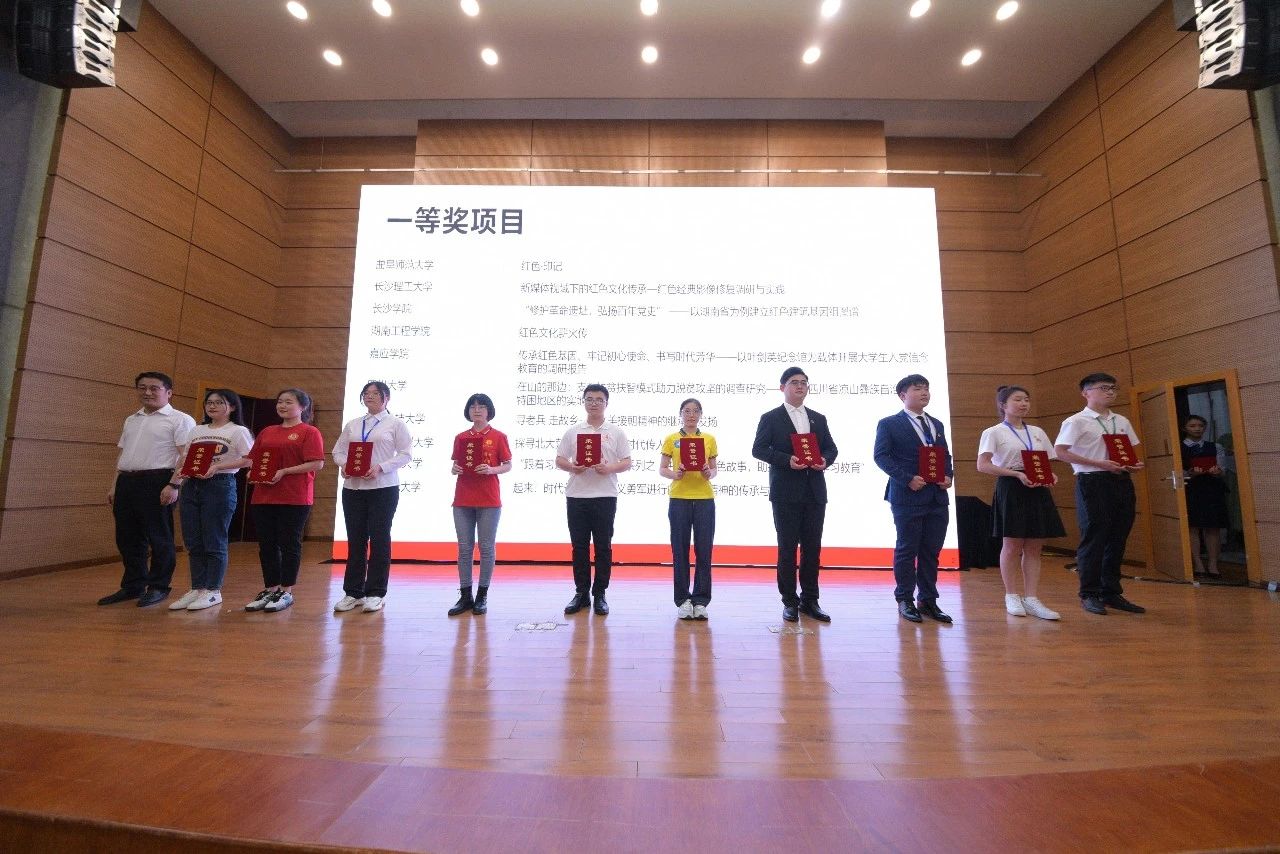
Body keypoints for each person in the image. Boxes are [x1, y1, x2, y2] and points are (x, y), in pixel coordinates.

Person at [99, 372, 196, 608]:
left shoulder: (180, 419)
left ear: (169, 392)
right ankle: (133, 585)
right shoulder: (132, 419)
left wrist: (174, 484)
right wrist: (114, 485)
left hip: (158, 480)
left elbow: (186, 456)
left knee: (159, 536)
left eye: (154, 388)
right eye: (142, 388)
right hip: (127, 481)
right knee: (128, 537)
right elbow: (124, 454)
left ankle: (158, 586)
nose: (147, 392)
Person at [1053, 372, 1146, 616]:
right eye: (1104, 388)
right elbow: (1060, 452)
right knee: (1095, 537)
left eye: (1113, 388)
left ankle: (1111, 592)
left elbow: (1129, 449)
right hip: (1092, 482)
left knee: (1118, 536)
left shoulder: (1121, 420)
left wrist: (1133, 464)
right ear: (1086, 393)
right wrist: (1098, 463)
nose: (1110, 392)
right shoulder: (1076, 421)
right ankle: (1089, 593)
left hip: (1121, 480)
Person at [752, 367, 838, 623]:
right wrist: (786, 460)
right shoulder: (771, 417)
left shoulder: (818, 418)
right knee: (787, 548)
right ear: (783, 387)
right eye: (794, 382)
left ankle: (810, 600)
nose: (800, 386)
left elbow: (831, 449)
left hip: (814, 492)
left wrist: (825, 460)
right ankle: (789, 601)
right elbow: (758, 449)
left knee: (812, 548)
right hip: (785, 492)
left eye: (804, 383)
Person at [976, 385, 1066, 620]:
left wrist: (1049, 475)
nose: (1024, 403)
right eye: (1017, 399)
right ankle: (1011, 595)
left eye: (1026, 399)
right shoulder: (994, 432)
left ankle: (1032, 598)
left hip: (1037, 488)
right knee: (1012, 544)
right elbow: (983, 465)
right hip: (1011, 487)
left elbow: (1046, 460)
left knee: (1035, 546)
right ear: (1003, 405)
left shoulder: (1036, 431)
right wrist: (1015, 474)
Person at [873, 374, 954, 624]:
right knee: (907, 549)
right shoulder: (889, 423)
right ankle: (905, 599)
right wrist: (907, 478)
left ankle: (928, 600)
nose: (924, 392)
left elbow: (945, 455)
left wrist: (949, 476)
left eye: (926, 388)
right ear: (903, 395)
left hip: (936, 496)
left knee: (931, 550)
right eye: (917, 389)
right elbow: (881, 456)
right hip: (907, 495)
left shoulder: (936, 424)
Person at [331, 381, 413, 614]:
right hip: (353, 488)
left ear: (386, 398)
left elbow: (406, 454)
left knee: (379, 539)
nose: (370, 396)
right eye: (366, 393)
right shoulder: (354, 424)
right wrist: (344, 465)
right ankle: (353, 592)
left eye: (376, 393)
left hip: (383, 488)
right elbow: (338, 451)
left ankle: (376, 593)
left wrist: (381, 467)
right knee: (356, 540)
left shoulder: (395, 423)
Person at [168, 389, 253, 612]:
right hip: (192, 484)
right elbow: (185, 457)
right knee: (193, 539)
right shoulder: (197, 430)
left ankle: (213, 590)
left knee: (214, 539)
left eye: (218, 402)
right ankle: (197, 587)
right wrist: (175, 480)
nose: (212, 406)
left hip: (220, 485)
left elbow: (249, 460)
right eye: (209, 402)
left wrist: (217, 467)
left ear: (231, 407)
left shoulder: (238, 431)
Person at [243, 388, 325, 614]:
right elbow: (254, 459)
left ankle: (286, 590)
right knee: (266, 544)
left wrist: (285, 471)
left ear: (302, 406)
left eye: (289, 402)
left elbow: (317, 463)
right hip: (263, 495)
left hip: (294, 496)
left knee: (289, 543)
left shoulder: (309, 432)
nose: (282, 406)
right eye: (280, 402)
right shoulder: (268, 431)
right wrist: (252, 472)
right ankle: (270, 588)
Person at [555, 384, 632, 616]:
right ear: (584, 402)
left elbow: (627, 462)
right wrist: (573, 467)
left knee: (603, 547)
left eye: (599, 399)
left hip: (605, 496)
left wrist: (609, 468)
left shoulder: (616, 432)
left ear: (606, 403)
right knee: (579, 547)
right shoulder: (574, 431)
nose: (594, 403)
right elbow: (560, 459)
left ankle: (600, 594)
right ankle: (581, 594)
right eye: (589, 399)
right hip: (577, 495)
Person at [448, 393, 513, 616]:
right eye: (473, 407)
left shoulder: (498, 436)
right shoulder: (460, 437)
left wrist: (492, 469)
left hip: (489, 498)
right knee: (464, 548)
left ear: (489, 411)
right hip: (463, 498)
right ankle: (465, 595)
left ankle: (482, 595)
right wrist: (454, 469)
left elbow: (508, 465)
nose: (477, 410)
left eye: (481, 407)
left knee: (486, 547)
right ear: (468, 411)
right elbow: (457, 463)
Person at [660, 398, 718, 620]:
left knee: (704, 551)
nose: (691, 415)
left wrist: (708, 473)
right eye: (687, 411)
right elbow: (663, 469)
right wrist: (675, 474)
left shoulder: (709, 439)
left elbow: (714, 470)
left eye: (695, 411)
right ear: (681, 414)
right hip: (679, 499)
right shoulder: (672, 439)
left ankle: (701, 601)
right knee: (680, 550)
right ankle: (683, 600)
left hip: (704, 499)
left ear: (701, 414)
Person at [1181, 414, 1229, 579]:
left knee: (1213, 527)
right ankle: (1198, 563)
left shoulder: (1215, 446)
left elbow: (1223, 470)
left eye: (1200, 426)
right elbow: (1178, 472)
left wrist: (1218, 471)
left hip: (1212, 488)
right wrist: (1190, 473)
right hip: (1191, 489)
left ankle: (1213, 564)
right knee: (1193, 527)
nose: (1197, 429)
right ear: (1185, 428)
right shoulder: (1179, 447)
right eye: (1192, 426)